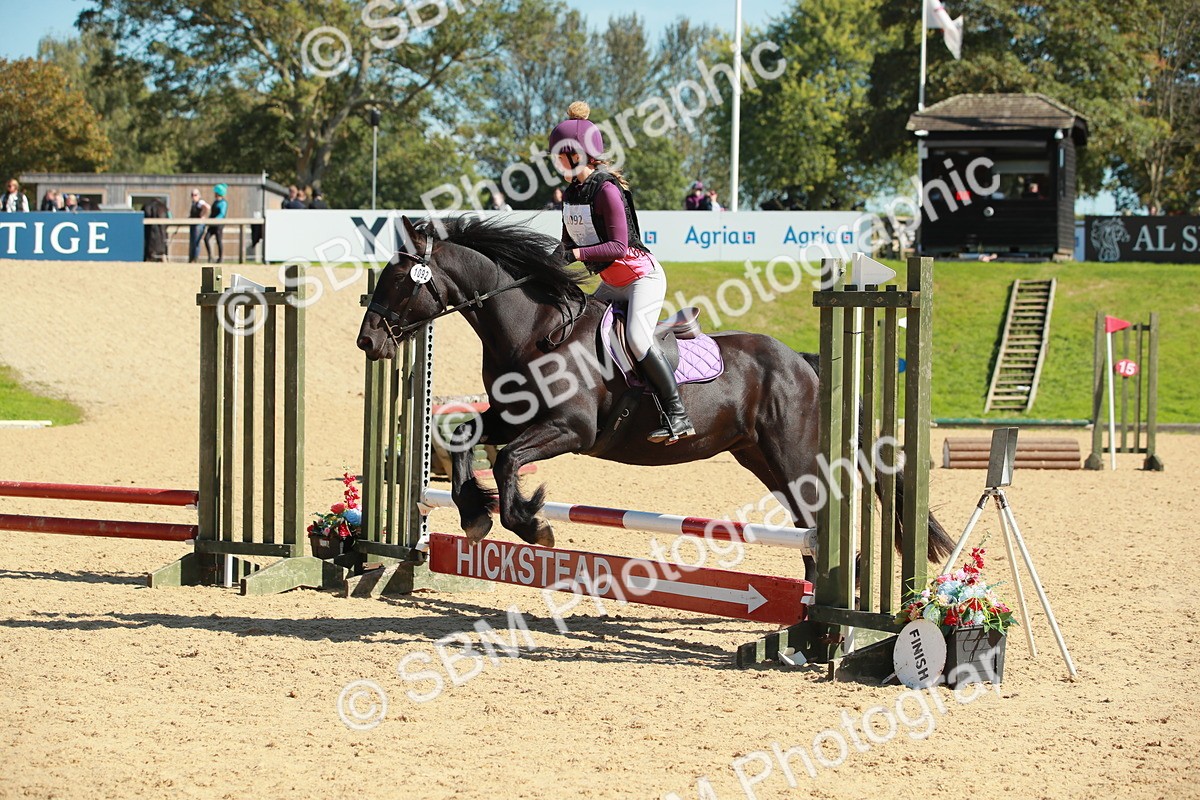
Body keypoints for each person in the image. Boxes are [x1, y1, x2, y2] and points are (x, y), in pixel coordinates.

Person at [550, 100, 694, 444]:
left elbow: (617, 246)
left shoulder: (608, 190)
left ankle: (677, 414)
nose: (554, 161)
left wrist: (575, 253)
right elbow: (566, 244)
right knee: (582, 329)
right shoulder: (572, 193)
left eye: (558, 154)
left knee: (637, 339)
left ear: (576, 154)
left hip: (641, 278)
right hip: (612, 282)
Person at [203, 183, 228, 262]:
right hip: (212, 224)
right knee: (206, 238)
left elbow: (222, 214)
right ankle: (210, 256)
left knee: (219, 240)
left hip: (219, 225)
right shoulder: (215, 202)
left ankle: (220, 258)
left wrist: (215, 219)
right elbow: (212, 213)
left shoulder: (223, 203)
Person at [187, 188, 210, 263]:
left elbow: (207, 207)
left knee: (196, 242)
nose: (193, 196)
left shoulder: (200, 202)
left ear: (199, 195)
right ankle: (192, 258)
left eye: (195, 195)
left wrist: (202, 215)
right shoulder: (194, 203)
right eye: (192, 195)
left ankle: (195, 259)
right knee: (192, 242)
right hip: (193, 224)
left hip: (198, 225)